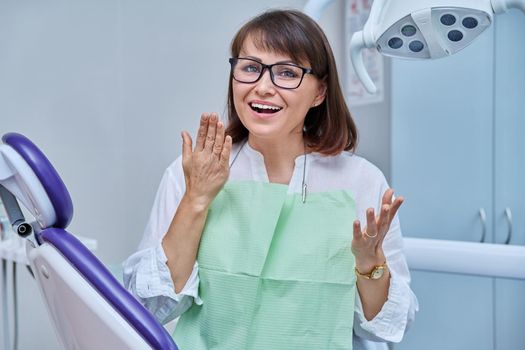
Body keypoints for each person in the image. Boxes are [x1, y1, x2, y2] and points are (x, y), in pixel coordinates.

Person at [123, 9, 418, 350]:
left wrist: (370, 264)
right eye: (250, 68)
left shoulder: (360, 180)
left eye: (287, 73)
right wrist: (197, 200)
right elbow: (149, 307)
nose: (263, 87)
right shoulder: (191, 171)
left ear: (320, 92)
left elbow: (389, 326)